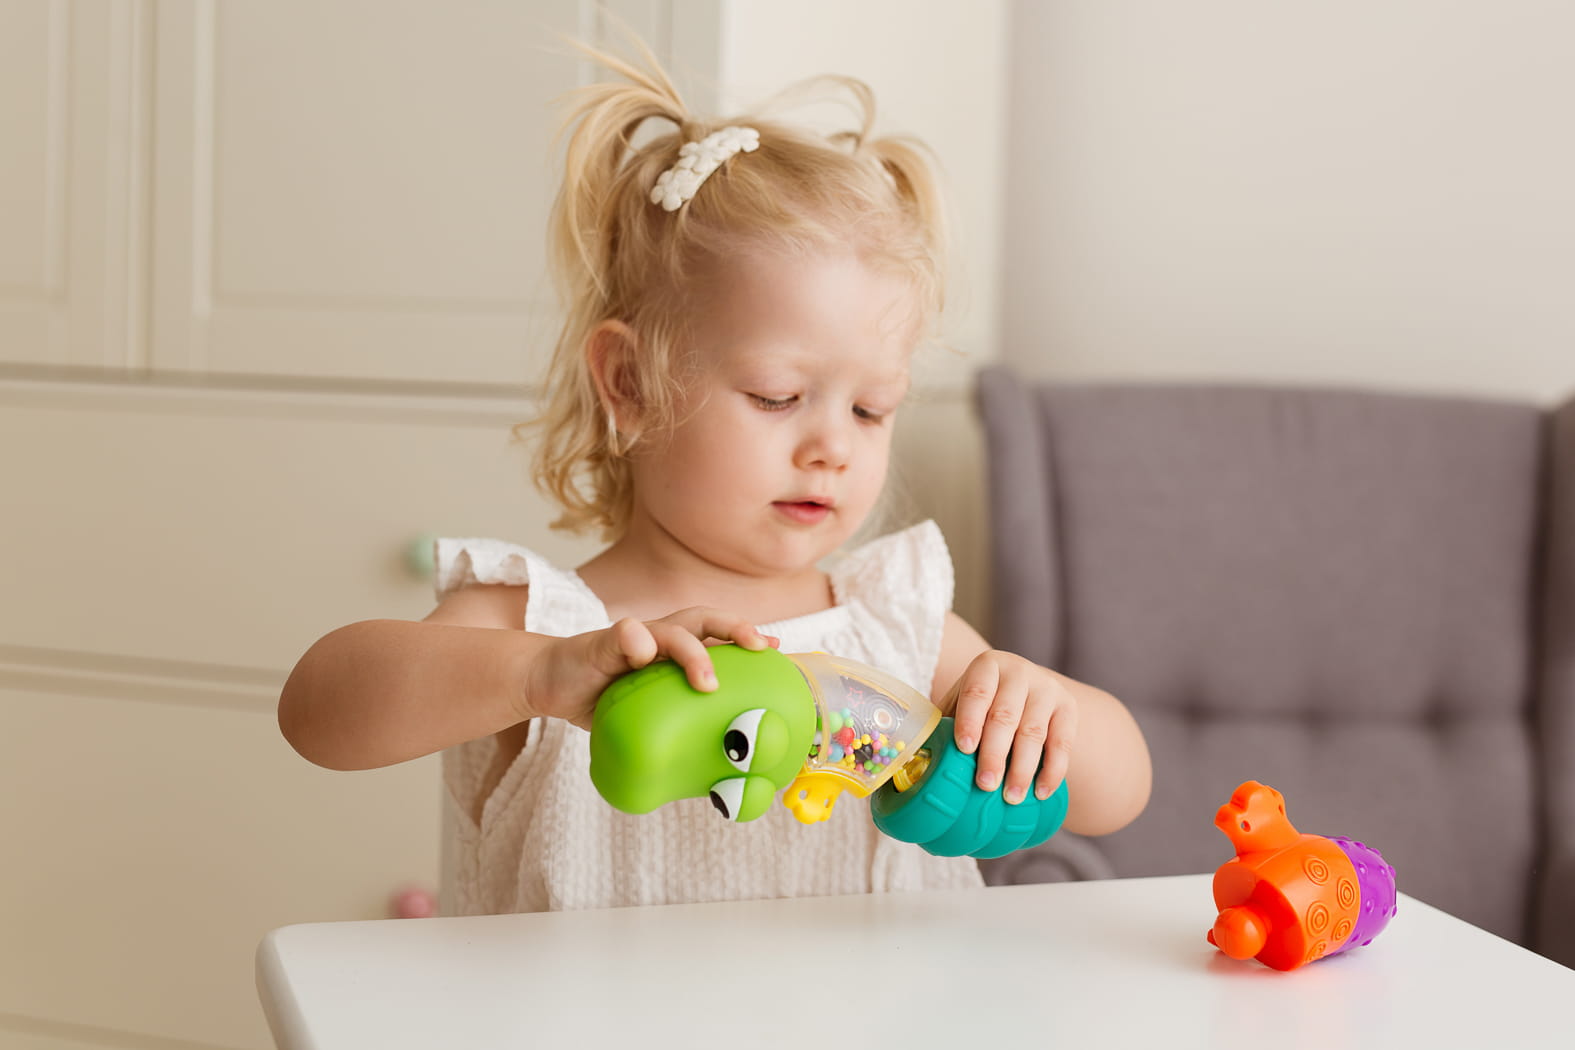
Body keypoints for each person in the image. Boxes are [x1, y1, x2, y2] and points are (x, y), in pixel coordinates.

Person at [279, 41, 1151, 916]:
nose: (832, 447)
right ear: (629, 384)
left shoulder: (896, 628)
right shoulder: (546, 626)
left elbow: (1120, 793)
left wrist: (1040, 707)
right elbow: (316, 714)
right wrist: (536, 674)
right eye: (777, 397)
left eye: (869, 409)